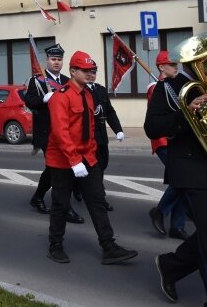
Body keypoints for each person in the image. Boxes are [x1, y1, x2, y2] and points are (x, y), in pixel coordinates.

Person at [145, 49, 207, 306]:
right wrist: (186, 112)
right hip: (191, 170)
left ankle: (171, 265)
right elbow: (152, 127)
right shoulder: (169, 88)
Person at [46, 50, 137, 265]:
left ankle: (108, 246)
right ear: (73, 71)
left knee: (97, 201)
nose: (90, 74)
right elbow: (61, 132)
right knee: (60, 204)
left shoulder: (88, 94)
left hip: (86, 156)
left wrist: (91, 154)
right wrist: (74, 160)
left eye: (92, 70)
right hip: (62, 161)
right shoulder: (61, 97)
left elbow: (91, 126)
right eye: (85, 70)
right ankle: (55, 245)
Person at [24, 44, 85, 223]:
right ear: (47, 61)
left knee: (53, 170)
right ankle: (65, 209)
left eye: (59, 59)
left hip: (65, 131)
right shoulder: (37, 81)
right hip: (46, 132)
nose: (56, 62)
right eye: (53, 59)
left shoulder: (67, 80)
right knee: (58, 170)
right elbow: (29, 101)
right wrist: (44, 99)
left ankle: (37, 197)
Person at [147, 51, 189, 240]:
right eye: (171, 64)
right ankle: (161, 211)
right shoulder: (155, 88)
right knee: (181, 179)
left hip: (177, 138)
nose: (176, 67)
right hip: (163, 140)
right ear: (161, 67)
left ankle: (177, 225)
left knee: (180, 181)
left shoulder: (177, 83)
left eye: (175, 64)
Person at [86, 61, 125, 211]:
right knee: (96, 170)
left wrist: (118, 130)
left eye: (94, 72)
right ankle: (100, 199)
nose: (91, 75)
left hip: (101, 136)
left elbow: (109, 112)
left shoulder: (101, 90)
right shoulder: (82, 91)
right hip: (89, 137)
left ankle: (80, 188)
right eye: (88, 72)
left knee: (103, 164)